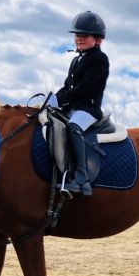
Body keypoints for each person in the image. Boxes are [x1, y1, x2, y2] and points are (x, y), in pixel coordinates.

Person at [53, 11, 109, 196]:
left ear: (98, 39)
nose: (79, 39)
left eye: (84, 35)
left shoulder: (99, 59)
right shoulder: (76, 60)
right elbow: (67, 86)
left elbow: (85, 88)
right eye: (77, 35)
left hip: (88, 109)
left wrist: (60, 100)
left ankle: (81, 179)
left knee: (73, 127)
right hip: (73, 107)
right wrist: (52, 99)